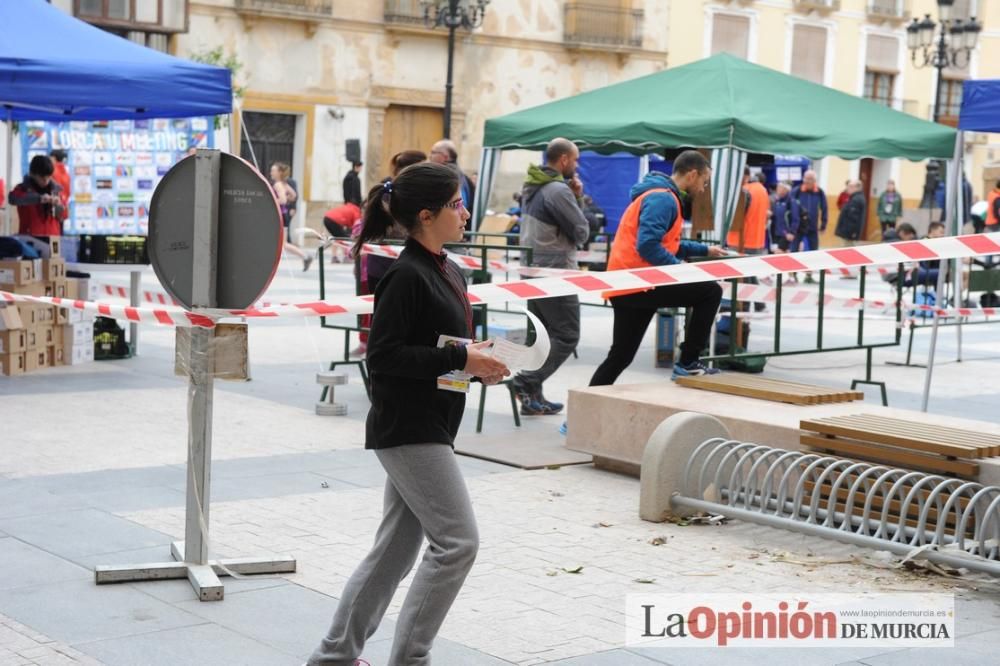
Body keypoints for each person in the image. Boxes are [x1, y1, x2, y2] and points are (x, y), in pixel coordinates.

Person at [306, 162, 509, 666]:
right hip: (409, 427)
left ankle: (334, 657)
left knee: (394, 552)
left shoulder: (449, 269)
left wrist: (476, 360)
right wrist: (461, 358)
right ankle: (410, 659)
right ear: (426, 214)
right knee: (458, 543)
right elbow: (384, 357)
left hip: (435, 420)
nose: (465, 213)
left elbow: (440, 348)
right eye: (457, 204)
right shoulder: (405, 275)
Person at [589, 150, 727, 387]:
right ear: (692, 175)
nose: (703, 189)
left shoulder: (659, 195)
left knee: (621, 356)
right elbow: (648, 246)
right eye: (704, 182)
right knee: (710, 292)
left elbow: (667, 244)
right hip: (638, 283)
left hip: (629, 284)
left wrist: (705, 251)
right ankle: (688, 362)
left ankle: (577, 417)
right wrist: (680, 271)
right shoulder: (663, 198)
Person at [510, 137, 590, 416]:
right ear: (564, 160)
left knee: (542, 337)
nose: (577, 165)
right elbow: (581, 231)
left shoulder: (533, 185)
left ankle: (534, 397)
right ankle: (525, 382)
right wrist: (577, 197)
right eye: (576, 159)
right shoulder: (557, 190)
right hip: (554, 271)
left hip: (532, 269)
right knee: (567, 336)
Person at [270, 161, 312, 271]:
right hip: (284, 216)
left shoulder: (278, 184)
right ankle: (305, 256)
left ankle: (305, 256)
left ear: (279, 172)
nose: (271, 172)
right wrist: (287, 198)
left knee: (283, 244)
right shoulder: (284, 184)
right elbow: (293, 196)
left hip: (279, 216)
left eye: (273, 170)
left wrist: (271, 201)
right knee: (281, 243)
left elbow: (283, 200)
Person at [9, 155, 64, 236]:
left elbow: (62, 216)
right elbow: (12, 198)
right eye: (42, 177)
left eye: (49, 177)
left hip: (53, 238)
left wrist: (59, 206)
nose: (46, 181)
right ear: (32, 174)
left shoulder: (56, 190)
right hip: (30, 238)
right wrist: (39, 198)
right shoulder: (22, 189)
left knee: (55, 248)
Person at [790, 169, 828, 283]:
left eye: (810, 180)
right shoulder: (796, 191)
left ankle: (809, 276)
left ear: (815, 181)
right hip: (798, 227)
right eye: (806, 179)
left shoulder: (819, 192)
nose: (807, 182)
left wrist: (823, 224)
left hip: (812, 227)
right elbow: (790, 207)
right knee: (794, 251)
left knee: (813, 252)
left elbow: (824, 208)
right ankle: (793, 275)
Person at [726, 168, 769, 255]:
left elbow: (735, 217)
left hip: (739, 241)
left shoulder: (744, 190)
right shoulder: (763, 190)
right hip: (758, 241)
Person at [429, 139, 474, 210]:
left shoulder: (448, 175)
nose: (430, 156)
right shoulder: (457, 172)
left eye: (433, 152)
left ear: (445, 157)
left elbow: (460, 205)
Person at [835, 179, 866, 246]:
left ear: (856, 188)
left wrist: (851, 234)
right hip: (848, 234)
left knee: (846, 253)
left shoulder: (856, 200)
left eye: (850, 186)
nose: (847, 188)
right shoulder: (853, 198)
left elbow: (853, 219)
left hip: (849, 236)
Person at [50, 149, 71, 216]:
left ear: (54, 158)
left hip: (54, 207)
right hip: (63, 206)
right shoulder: (66, 173)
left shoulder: (51, 171)